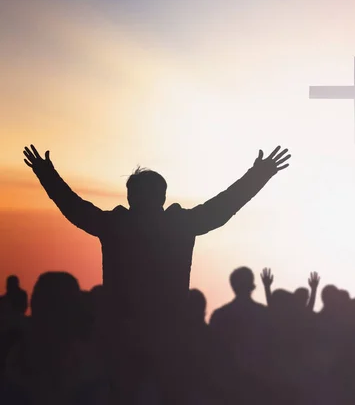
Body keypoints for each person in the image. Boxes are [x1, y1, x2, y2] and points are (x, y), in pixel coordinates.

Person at [23, 144, 291, 404]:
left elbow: (74, 208)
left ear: (130, 197)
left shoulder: (115, 225)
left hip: (123, 338)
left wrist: (46, 175)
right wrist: (259, 175)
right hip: (168, 337)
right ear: (162, 197)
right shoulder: (181, 225)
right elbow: (223, 206)